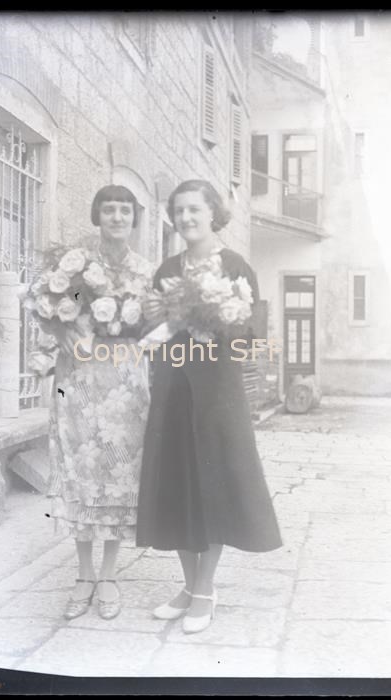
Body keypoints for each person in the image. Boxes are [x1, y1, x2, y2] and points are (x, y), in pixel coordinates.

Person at [136, 180, 282, 634]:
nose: (185, 218)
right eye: (179, 211)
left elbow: (251, 337)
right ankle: (187, 585)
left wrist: (217, 322)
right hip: (173, 390)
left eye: (194, 209)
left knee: (212, 486)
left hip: (218, 393)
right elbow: (151, 329)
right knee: (177, 484)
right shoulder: (167, 270)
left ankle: (205, 588)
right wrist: (155, 318)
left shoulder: (236, 267)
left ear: (213, 213)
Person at [36, 185, 154, 620]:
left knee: (120, 471)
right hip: (80, 378)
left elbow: (155, 326)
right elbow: (53, 310)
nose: (117, 217)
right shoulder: (78, 268)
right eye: (109, 210)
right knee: (80, 469)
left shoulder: (145, 273)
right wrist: (62, 331)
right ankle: (83, 574)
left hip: (125, 381)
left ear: (134, 218)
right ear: (97, 215)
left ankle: (108, 575)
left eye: (125, 210)